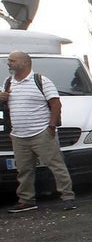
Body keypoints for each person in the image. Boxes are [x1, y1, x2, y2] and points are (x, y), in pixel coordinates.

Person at [0, 51, 77, 212]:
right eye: (9, 61)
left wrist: (51, 127)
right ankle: (26, 200)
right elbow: (5, 106)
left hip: (41, 132)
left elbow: (56, 104)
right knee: (24, 170)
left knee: (56, 165)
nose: (9, 63)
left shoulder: (41, 81)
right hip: (19, 135)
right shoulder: (8, 82)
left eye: (12, 61)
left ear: (24, 63)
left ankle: (68, 197)